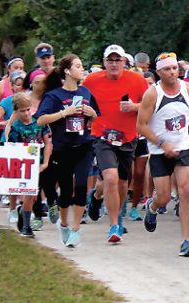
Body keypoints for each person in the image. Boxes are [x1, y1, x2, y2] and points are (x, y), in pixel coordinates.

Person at [137, 52, 189, 257]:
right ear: (158, 72)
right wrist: (161, 142)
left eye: (175, 68)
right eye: (167, 69)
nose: (172, 72)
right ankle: (152, 207)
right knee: (164, 196)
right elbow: (140, 126)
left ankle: (185, 241)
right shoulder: (153, 94)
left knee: (186, 190)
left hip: (183, 147)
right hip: (159, 150)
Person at [83, 44, 148, 242]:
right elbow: (81, 102)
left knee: (121, 182)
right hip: (102, 135)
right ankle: (113, 226)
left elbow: (149, 105)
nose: (113, 64)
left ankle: (96, 198)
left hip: (128, 136)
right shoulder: (91, 80)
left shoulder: (137, 80)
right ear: (104, 62)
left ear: (124, 62)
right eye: (109, 60)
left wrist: (134, 106)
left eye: (117, 60)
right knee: (110, 178)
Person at [37, 54, 98, 247]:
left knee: (81, 186)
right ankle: (64, 224)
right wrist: (65, 113)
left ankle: (75, 229)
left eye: (82, 66)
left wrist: (93, 114)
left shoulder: (86, 92)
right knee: (65, 190)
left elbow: (94, 117)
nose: (82, 70)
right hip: (62, 148)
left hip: (84, 145)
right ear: (67, 71)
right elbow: (40, 119)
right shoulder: (54, 95)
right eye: (78, 66)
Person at [7, 93, 52, 238]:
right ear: (16, 111)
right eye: (22, 111)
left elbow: (48, 143)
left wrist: (45, 162)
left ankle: (23, 213)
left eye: (28, 109)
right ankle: (26, 226)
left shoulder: (40, 123)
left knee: (34, 196)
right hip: (25, 166)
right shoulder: (16, 128)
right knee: (29, 194)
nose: (26, 113)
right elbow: (13, 148)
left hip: (40, 163)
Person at [0, 56, 25, 141]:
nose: (19, 70)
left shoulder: (26, 85)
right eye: (16, 67)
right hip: (2, 127)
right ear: (9, 69)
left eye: (21, 68)